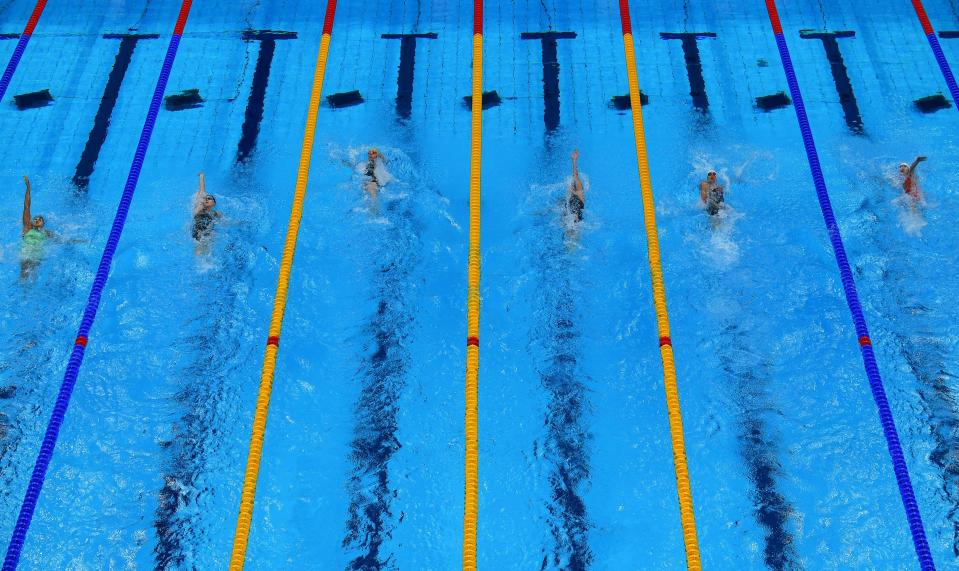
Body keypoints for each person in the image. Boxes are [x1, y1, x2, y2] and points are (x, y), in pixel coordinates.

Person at [20, 176, 52, 280]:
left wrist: (76, 241)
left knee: (33, 277)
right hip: (26, 253)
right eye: (35, 218)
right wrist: (28, 188)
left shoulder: (46, 233)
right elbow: (26, 207)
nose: (37, 219)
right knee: (23, 275)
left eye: (40, 219)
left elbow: (62, 240)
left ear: (43, 224)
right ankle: (22, 293)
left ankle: (28, 293)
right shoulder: (27, 228)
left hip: (38, 255)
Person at [192, 172, 220, 252]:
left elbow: (224, 221)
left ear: (214, 203)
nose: (206, 199)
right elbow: (202, 191)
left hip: (208, 236)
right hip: (198, 237)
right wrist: (201, 176)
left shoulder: (215, 213)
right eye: (206, 198)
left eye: (209, 198)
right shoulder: (199, 208)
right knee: (199, 253)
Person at [566, 150, 585, 222]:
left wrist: (574, 161)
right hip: (571, 221)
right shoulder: (569, 196)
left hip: (576, 223)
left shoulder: (580, 195)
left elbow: (575, 176)